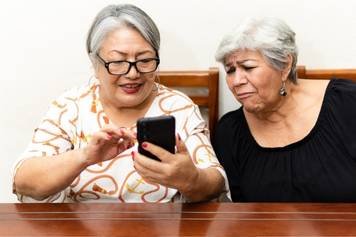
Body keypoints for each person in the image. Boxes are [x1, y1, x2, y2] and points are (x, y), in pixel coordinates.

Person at [12, 4, 228, 203]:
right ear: (95, 63)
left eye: (144, 60)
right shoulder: (71, 107)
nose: (133, 74)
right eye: (118, 62)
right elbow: (24, 180)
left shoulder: (178, 107)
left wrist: (190, 179)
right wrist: (85, 157)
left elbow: (216, 182)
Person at [213, 17, 356, 202]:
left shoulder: (346, 103)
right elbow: (239, 214)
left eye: (248, 67)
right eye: (230, 70)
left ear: (285, 65)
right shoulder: (230, 132)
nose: (236, 81)